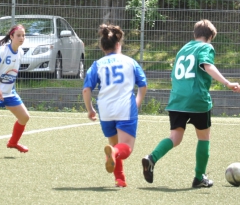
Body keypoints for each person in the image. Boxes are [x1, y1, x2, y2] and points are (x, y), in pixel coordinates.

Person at [141, 19, 239, 188]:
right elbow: (207, 65)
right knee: (204, 137)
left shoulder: (183, 49)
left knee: (175, 137)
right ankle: (199, 177)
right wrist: (227, 83)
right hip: (197, 99)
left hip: (177, 99)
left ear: (195, 34)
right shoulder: (206, 47)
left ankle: (151, 158)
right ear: (210, 37)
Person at [83, 24, 147, 187]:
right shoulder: (130, 62)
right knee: (124, 148)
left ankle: (120, 179)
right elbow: (143, 85)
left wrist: (90, 109)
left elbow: (86, 90)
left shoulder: (97, 64)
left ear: (102, 47)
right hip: (125, 107)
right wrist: (137, 103)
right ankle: (114, 156)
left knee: (114, 145)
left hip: (105, 109)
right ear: (118, 44)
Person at [0, 24, 30, 158]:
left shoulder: (20, 52)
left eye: (23, 35)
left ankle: (13, 142)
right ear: (11, 36)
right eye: (18, 35)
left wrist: (8, 90)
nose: (21, 38)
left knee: (24, 117)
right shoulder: (2, 51)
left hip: (8, 92)